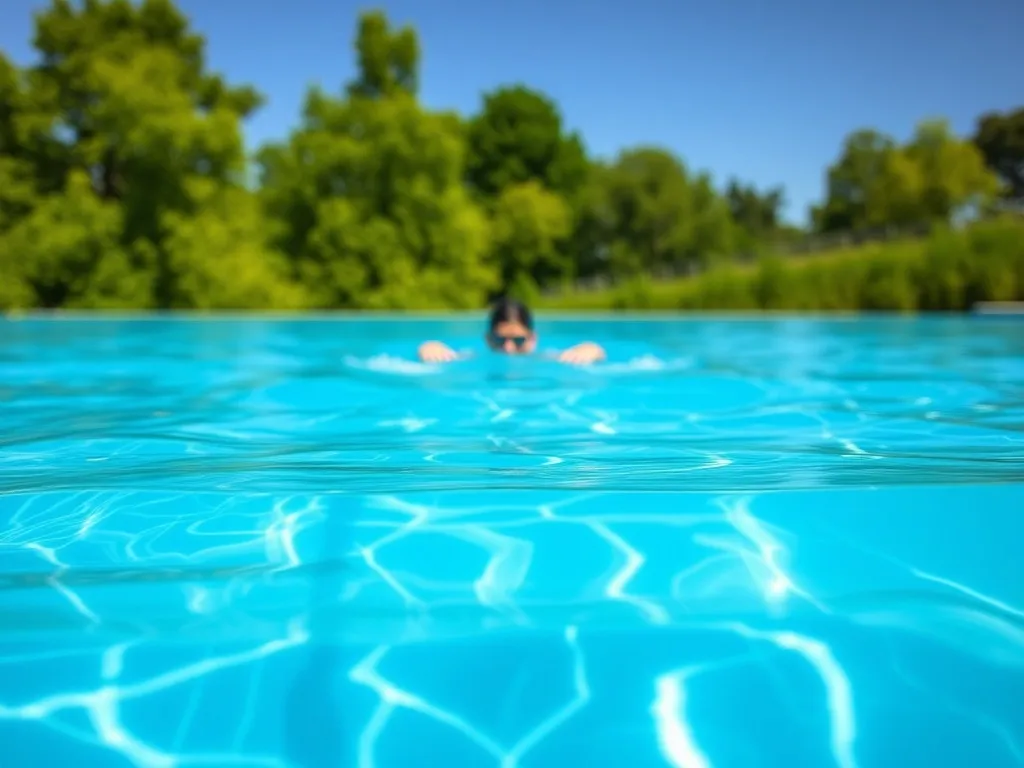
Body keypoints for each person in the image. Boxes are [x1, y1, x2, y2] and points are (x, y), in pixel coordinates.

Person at [417, 297, 606, 365]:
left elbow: (595, 350)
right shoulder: (474, 358)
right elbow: (439, 349)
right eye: (500, 340)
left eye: (518, 340)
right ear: (488, 339)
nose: (508, 348)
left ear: (532, 339)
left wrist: (589, 349)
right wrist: (430, 346)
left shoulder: (544, 358)